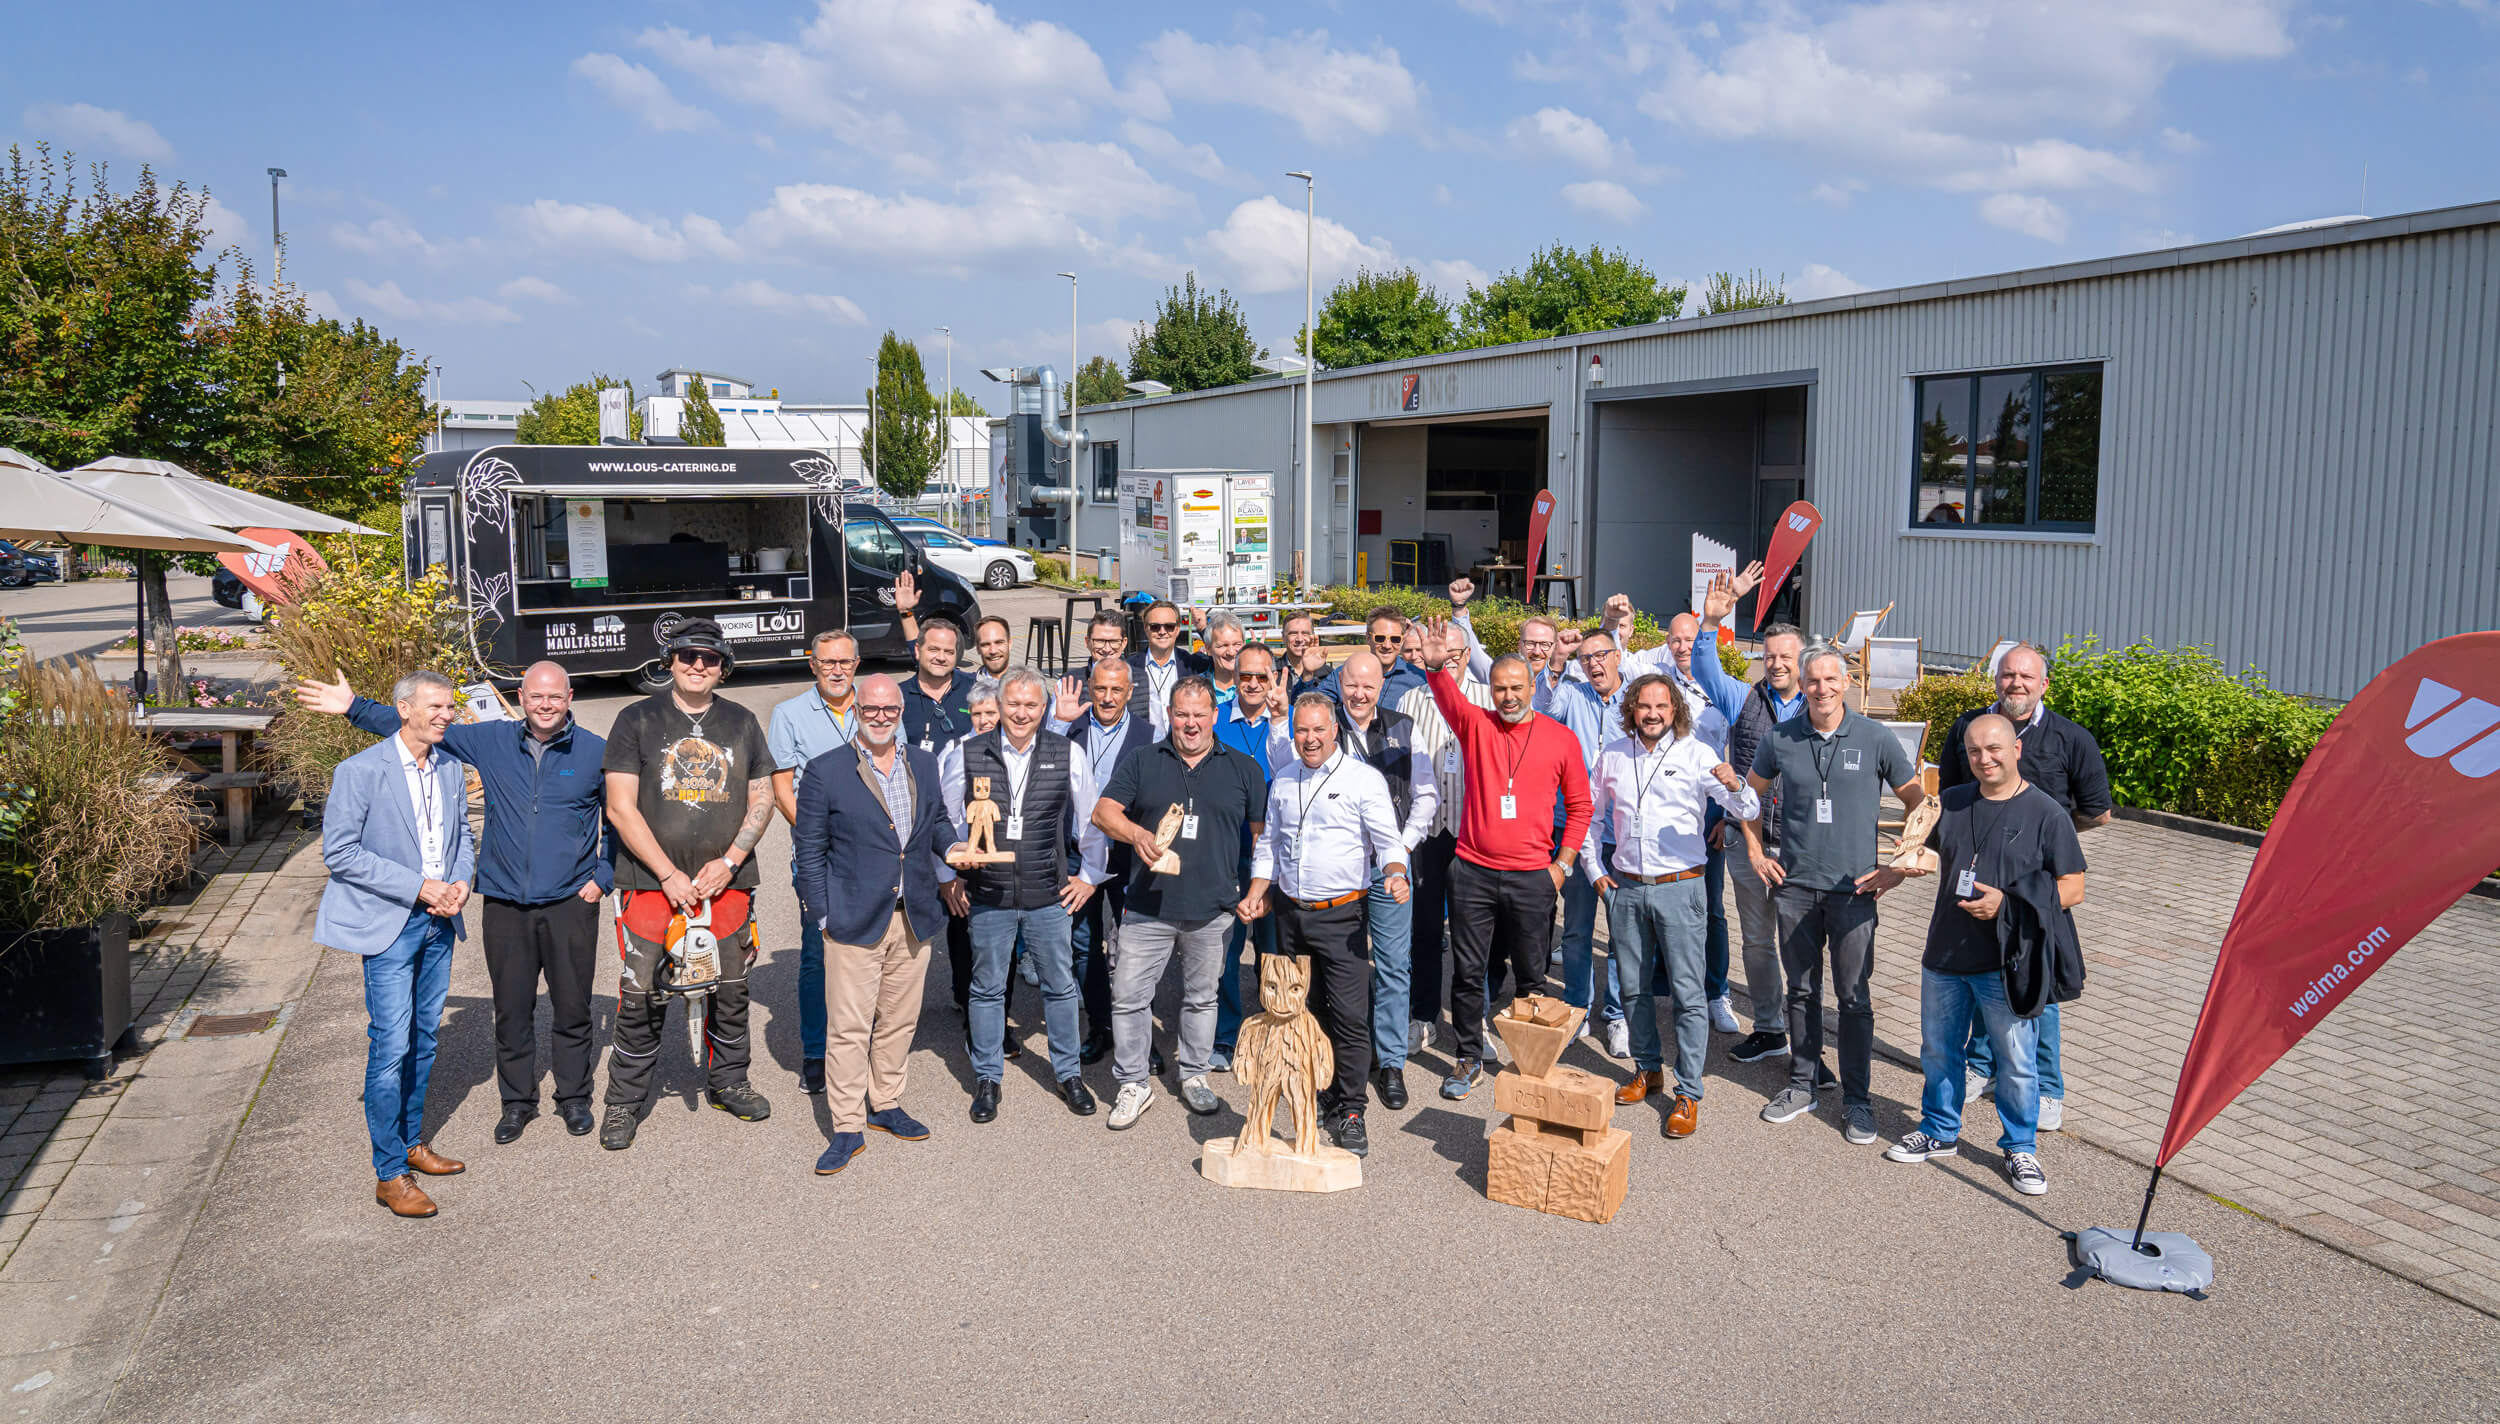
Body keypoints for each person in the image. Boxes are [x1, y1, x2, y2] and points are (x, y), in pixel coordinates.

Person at [296, 661, 612, 1145]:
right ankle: (517, 1102)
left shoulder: (594, 753)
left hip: (571, 900)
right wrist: (354, 708)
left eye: (555, 696)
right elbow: (421, 724)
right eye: (535, 696)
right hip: (506, 902)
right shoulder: (492, 740)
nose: (545, 705)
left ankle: (573, 1097)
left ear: (569, 696)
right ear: (521, 698)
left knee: (573, 1007)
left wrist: (602, 877)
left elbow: (618, 819)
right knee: (510, 1009)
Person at [1886, 714, 2085, 1197]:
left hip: (2006, 961)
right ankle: (1939, 1130)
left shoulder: (2046, 812)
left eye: (1993, 749)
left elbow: (2073, 888)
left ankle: (2020, 1148)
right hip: (1945, 955)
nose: (1984, 759)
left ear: (2016, 749)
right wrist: (1898, 867)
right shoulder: (1952, 802)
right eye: (1974, 751)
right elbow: (1927, 854)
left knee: (2015, 1061)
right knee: (1939, 1051)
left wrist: (2008, 904)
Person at [600, 618, 776, 1149]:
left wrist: (731, 860)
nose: (698, 665)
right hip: (652, 884)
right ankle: (624, 1103)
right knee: (641, 993)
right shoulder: (636, 718)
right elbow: (620, 807)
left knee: (729, 988)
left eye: (709, 658)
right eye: (687, 656)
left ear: (724, 667)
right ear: (670, 661)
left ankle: (729, 1082)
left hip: (727, 883)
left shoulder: (742, 722)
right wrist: (669, 873)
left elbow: (762, 797)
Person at [1741, 644, 1926, 1144]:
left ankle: (1858, 1101)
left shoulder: (1874, 737)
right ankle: (1802, 1084)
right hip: (1796, 888)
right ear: (1801, 686)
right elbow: (1748, 796)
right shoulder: (1781, 738)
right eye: (1812, 681)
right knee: (1800, 991)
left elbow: (1920, 803)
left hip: (1854, 891)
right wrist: (1757, 852)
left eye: (1830, 680)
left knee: (1854, 998)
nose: (1821, 689)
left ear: (1847, 684)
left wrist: (1898, 868)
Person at [314, 671, 475, 1218]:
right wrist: (417, 886)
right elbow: (339, 853)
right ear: (404, 709)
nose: (447, 714)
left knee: (425, 1039)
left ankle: (412, 1143)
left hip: (439, 921)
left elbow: (464, 837)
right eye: (436, 706)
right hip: (391, 924)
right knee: (391, 1046)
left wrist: (460, 882)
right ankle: (390, 1175)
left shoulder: (451, 768)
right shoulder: (359, 771)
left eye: (449, 706)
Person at [1412, 617, 1592, 1102]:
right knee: (1469, 974)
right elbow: (1449, 698)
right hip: (1472, 871)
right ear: (1489, 690)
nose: (1507, 697)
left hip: (1533, 877)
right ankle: (1469, 1056)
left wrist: (1563, 866)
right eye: (1499, 689)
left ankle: (1531, 1061)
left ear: (1533, 686)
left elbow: (1581, 807)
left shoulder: (1560, 738)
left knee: (1532, 976)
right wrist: (1435, 667)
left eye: (1516, 688)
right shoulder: (1476, 725)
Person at [1938, 643, 2113, 1132]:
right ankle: (1983, 1066)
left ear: (2044, 685)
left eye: (2026, 677)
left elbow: (2097, 811)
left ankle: (2047, 1087)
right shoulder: (1968, 728)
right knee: (1979, 978)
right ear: (1996, 680)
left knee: (2037, 989)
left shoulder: (2071, 739)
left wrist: (2043, 836)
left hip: (2036, 891)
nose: (2016, 683)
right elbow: (1951, 796)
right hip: (1975, 878)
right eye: (2008, 675)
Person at [1584, 675, 1759, 1138]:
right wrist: (1594, 871)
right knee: (1633, 988)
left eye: (1662, 705)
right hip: (1627, 887)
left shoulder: (1697, 753)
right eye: (1644, 705)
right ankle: (1647, 1068)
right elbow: (1589, 816)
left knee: (1687, 992)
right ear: (1632, 710)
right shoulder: (1613, 756)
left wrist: (1737, 785)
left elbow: (1747, 810)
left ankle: (1688, 1091)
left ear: (1675, 709)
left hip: (1682, 888)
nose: (1653, 713)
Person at [792, 675, 954, 1176]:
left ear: (901, 711)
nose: (880, 717)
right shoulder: (825, 771)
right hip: (853, 918)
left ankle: (885, 1103)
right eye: (871, 709)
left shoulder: (923, 763)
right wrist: (822, 912)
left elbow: (939, 822)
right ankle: (846, 1126)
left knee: (900, 1020)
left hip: (913, 916)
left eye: (889, 709)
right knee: (849, 1028)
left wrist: (952, 849)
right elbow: (808, 850)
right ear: (856, 711)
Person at [1093, 677, 1268, 1128]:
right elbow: (1103, 812)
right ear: (1169, 714)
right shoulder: (1144, 760)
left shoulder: (1244, 768)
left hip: (1212, 911)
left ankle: (1194, 1074)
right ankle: (1132, 1083)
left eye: (1199, 715)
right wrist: (1136, 834)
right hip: (1147, 908)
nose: (1190, 724)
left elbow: (1262, 839)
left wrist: (1255, 891)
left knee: (1202, 998)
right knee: (1129, 997)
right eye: (1181, 714)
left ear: (1214, 716)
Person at [1244, 693, 1411, 1156]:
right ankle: (1320, 1093)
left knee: (1350, 1018)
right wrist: (1258, 889)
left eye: (1318, 729)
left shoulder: (1363, 780)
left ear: (1334, 729)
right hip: (1291, 915)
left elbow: (1388, 841)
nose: (1310, 739)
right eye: (1302, 731)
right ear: (1292, 732)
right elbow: (1270, 845)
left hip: (1342, 916)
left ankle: (1352, 1108)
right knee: (1307, 1016)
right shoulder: (1283, 780)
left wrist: (1396, 873)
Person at [950, 668, 1111, 1122]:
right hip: (990, 894)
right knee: (985, 988)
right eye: (1013, 704)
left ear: (1044, 709)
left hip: (1047, 894)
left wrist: (1091, 877)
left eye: (1031, 705)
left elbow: (1090, 821)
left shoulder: (1067, 753)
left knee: (1060, 986)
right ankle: (987, 1077)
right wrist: (951, 869)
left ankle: (1068, 1073)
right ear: (998, 706)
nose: (1021, 713)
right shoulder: (965, 753)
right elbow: (945, 821)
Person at [1595, 584, 1744, 1037]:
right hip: (1643, 827)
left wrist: (1729, 816)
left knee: (1712, 914)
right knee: (1633, 921)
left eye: (1690, 639)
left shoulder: (1720, 690)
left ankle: (1716, 993)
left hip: (1704, 823)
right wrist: (1611, 618)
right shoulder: (1654, 677)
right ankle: (1620, 1011)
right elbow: (1611, 654)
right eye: (1675, 639)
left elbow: (1733, 760)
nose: (1681, 647)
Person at [1689, 571, 1810, 1067]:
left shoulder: (1820, 706)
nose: (1777, 664)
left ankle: (1808, 1037)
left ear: (1802, 662)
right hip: (1746, 840)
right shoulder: (1743, 698)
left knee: (1800, 942)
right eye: (1770, 655)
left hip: (1802, 845)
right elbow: (1704, 667)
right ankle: (1769, 1027)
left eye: (1786, 657)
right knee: (1757, 940)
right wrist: (1711, 621)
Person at [1324, 654, 1438, 1110]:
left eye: (1369, 686)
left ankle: (1390, 1062)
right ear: (1341, 682)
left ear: (1380, 686)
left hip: (1392, 867)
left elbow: (1426, 796)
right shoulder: (1324, 726)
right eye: (1352, 684)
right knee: (1344, 966)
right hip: (1342, 866)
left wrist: (1401, 850)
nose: (1360, 693)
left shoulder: (1405, 727)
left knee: (1393, 964)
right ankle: (1346, 1054)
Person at [768, 629, 863, 1095]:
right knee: (817, 954)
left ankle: (861, 1046)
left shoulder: (877, 706)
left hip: (870, 856)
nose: (837, 670)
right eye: (828, 662)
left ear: (856, 663)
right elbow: (782, 787)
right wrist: (812, 833)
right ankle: (815, 1050)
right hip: (817, 855)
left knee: (868, 953)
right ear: (813, 665)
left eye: (844, 661)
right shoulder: (788, 715)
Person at [1052, 658, 1157, 1066]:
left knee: (1136, 948)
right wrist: (1059, 724)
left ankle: (1139, 1038)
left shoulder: (1149, 735)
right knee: (1083, 945)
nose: (1108, 697)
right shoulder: (1067, 727)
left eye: (1117, 690)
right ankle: (1100, 1026)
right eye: (1100, 689)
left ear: (1130, 692)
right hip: (1077, 853)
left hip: (1129, 854)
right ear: (1090, 688)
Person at [1396, 620, 1491, 1056]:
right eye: (1439, 656)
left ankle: (1476, 1024)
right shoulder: (1412, 700)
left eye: (1453, 656)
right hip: (1429, 832)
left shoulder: (1488, 700)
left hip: (1474, 831)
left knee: (1474, 935)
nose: (1446, 663)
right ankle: (1423, 1015)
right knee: (1426, 929)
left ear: (1466, 656)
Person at [1546, 630, 1635, 1057]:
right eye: (1586, 658)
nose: (1594, 664)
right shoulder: (1571, 694)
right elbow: (1540, 713)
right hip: (1577, 831)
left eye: (1600, 655)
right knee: (1578, 929)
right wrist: (1559, 661)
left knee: (1621, 930)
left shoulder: (1636, 700)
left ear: (1618, 657)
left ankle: (1616, 1015)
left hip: (1624, 837)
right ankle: (1578, 1005)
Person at [1211, 643, 1287, 1068]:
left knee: (1273, 952)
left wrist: (1280, 719)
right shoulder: (1216, 720)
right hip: (1227, 852)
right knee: (1225, 950)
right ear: (1234, 678)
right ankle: (1225, 1037)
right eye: (1246, 677)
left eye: (1263, 676)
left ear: (1274, 677)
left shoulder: (1292, 723)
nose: (1254, 684)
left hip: (1277, 857)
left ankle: (1275, 1033)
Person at [1448, 578, 1568, 712]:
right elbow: (1475, 655)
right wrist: (1459, 607)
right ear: (1519, 646)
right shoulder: (1503, 675)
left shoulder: (1570, 682)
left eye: (1545, 644)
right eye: (1530, 643)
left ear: (1554, 647)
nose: (1537, 651)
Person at [894, 572, 978, 756]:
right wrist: (906, 614)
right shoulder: (897, 697)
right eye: (933, 650)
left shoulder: (976, 690)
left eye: (949, 652)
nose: (941, 657)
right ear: (917, 650)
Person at [1128, 598, 1212, 735]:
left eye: (1169, 626)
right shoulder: (1131, 667)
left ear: (1178, 629)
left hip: (1183, 745)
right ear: (1145, 628)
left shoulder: (1191, 664)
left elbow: (1222, 660)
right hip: (1144, 748)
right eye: (1155, 627)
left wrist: (1203, 629)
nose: (1162, 631)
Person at [1317, 608, 1425, 709]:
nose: (1387, 645)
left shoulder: (1419, 678)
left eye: (1395, 639)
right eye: (1380, 638)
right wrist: (1307, 675)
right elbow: (1312, 707)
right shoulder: (1344, 673)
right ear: (1368, 638)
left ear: (1402, 640)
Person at [1280, 612, 1332, 702]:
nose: (1299, 639)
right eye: (1293, 633)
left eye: (1305, 633)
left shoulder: (1328, 675)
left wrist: (1308, 674)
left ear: (1313, 636)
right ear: (1283, 637)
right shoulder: (1272, 672)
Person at [1202, 610, 1247, 705]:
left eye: (1237, 644)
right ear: (1208, 649)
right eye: (1223, 646)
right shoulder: (1197, 687)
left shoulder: (1255, 685)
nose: (1231, 652)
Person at [969, 615, 1014, 692]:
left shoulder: (1030, 685)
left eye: (999, 642)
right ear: (978, 649)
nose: (993, 651)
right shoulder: (966, 688)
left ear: (1009, 644)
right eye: (985, 644)